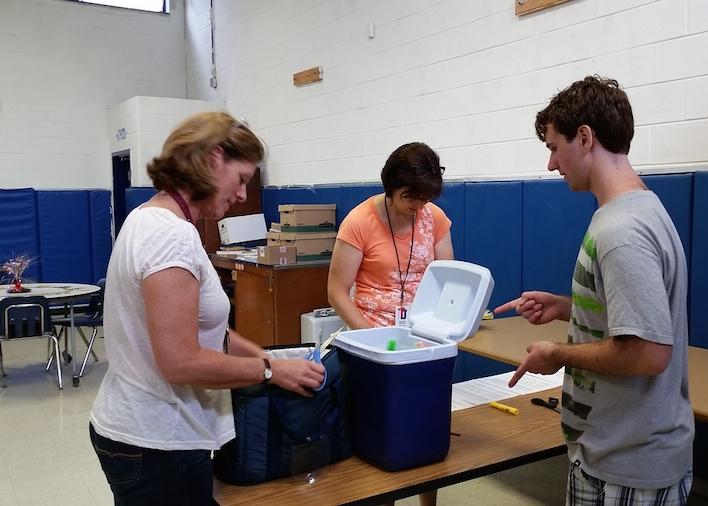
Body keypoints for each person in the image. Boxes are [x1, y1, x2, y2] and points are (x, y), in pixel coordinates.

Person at [89, 111, 325, 505]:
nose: (243, 195)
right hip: (158, 442)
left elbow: (206, 329)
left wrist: (269, 359)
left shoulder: (147, 218)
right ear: (214, 159)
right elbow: (182, 361)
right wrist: (268, 370)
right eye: (242, 179)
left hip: (138, 431)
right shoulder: (172, 235)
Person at [495, 76, 694, 505]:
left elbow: (647, 351)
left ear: (585, 137)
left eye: (553, 147)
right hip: (614, 454)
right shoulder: (640, 209)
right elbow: (632, 315)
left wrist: (558, 354)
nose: (551, 164)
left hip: (628, 467)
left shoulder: (622, 230)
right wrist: (568, 308)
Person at [328, 142, 452, 506]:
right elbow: (336, 290)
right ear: (390, 187)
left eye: (424, 198)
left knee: (424, 424)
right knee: (381, 432)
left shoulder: (434, 217)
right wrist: (372, 339)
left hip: (422, 337)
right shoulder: (359, 221)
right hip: (372, 336)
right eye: (409, 197)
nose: (418, 206)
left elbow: (446, 278)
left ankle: (428, 500)